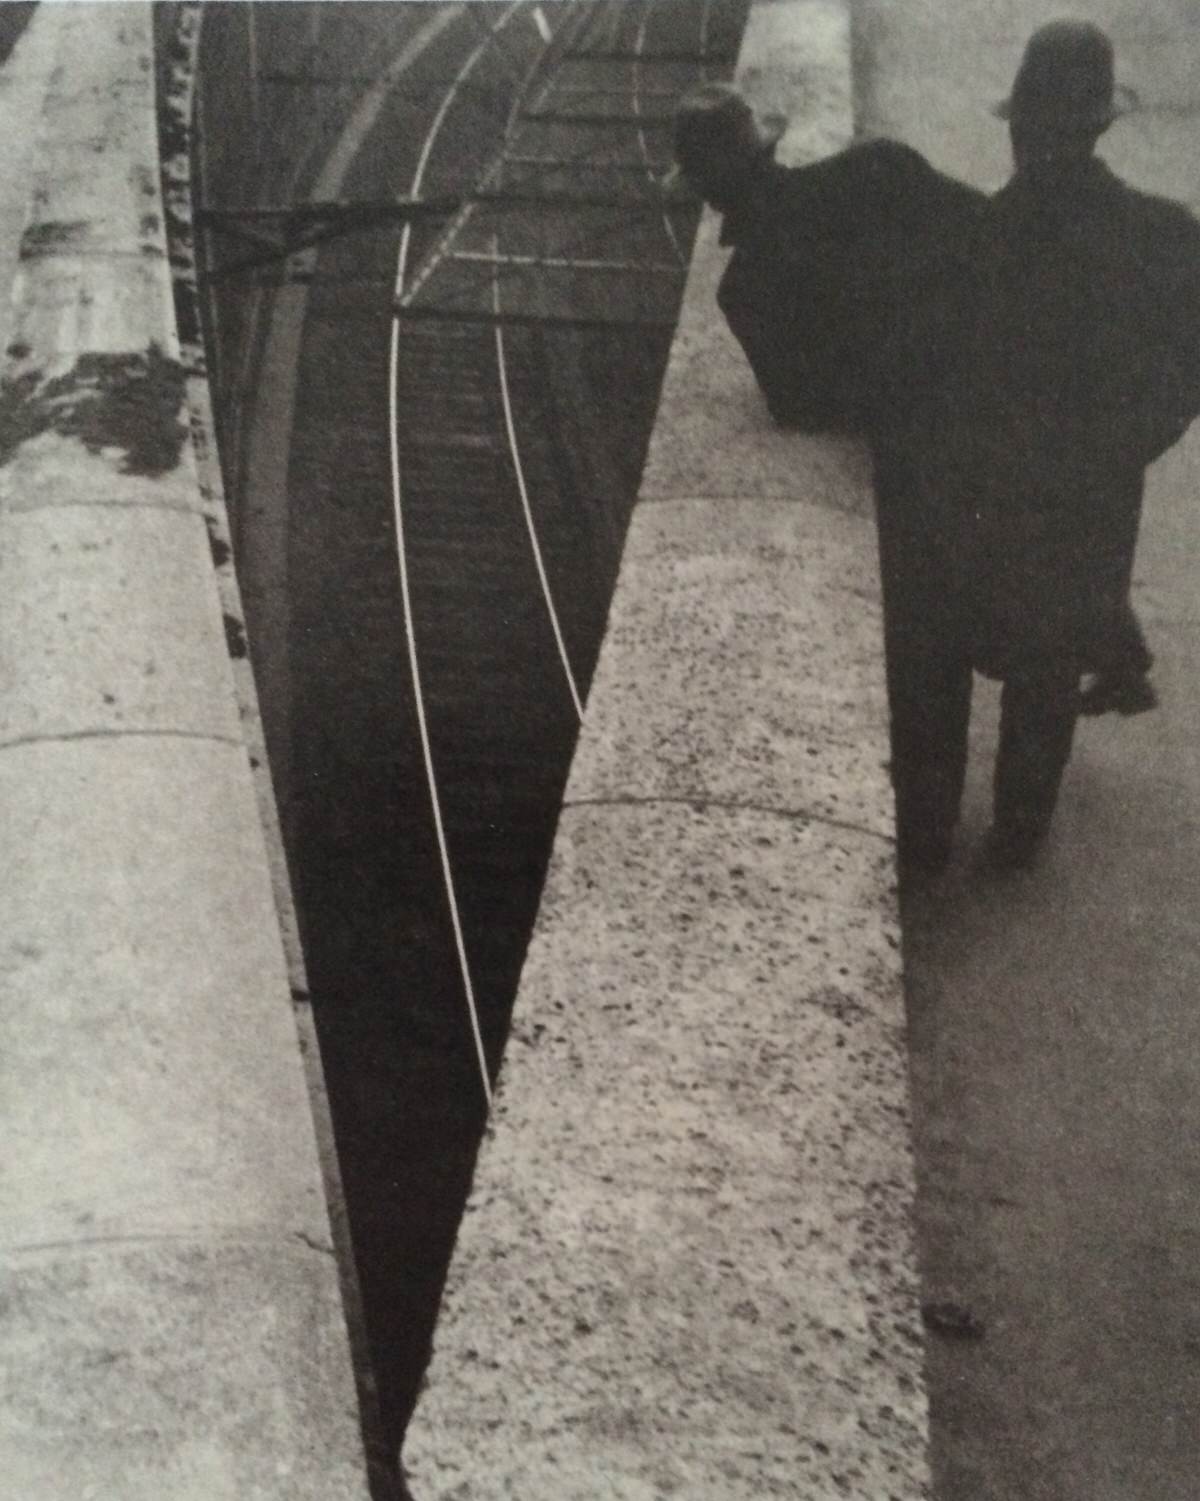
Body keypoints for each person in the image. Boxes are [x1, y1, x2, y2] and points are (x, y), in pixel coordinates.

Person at [885, 19, 1200, 869]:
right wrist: (1127, 443)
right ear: (1100, 127)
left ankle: (927, 829)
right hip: (1091, 496)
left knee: (942, 650)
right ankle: (1020, 830)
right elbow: (1188, 372)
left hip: (979, 493)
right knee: (1048, 665)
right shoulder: (1167, 236)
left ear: (1020, 127)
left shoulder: (972, 236)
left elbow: (924, 375)